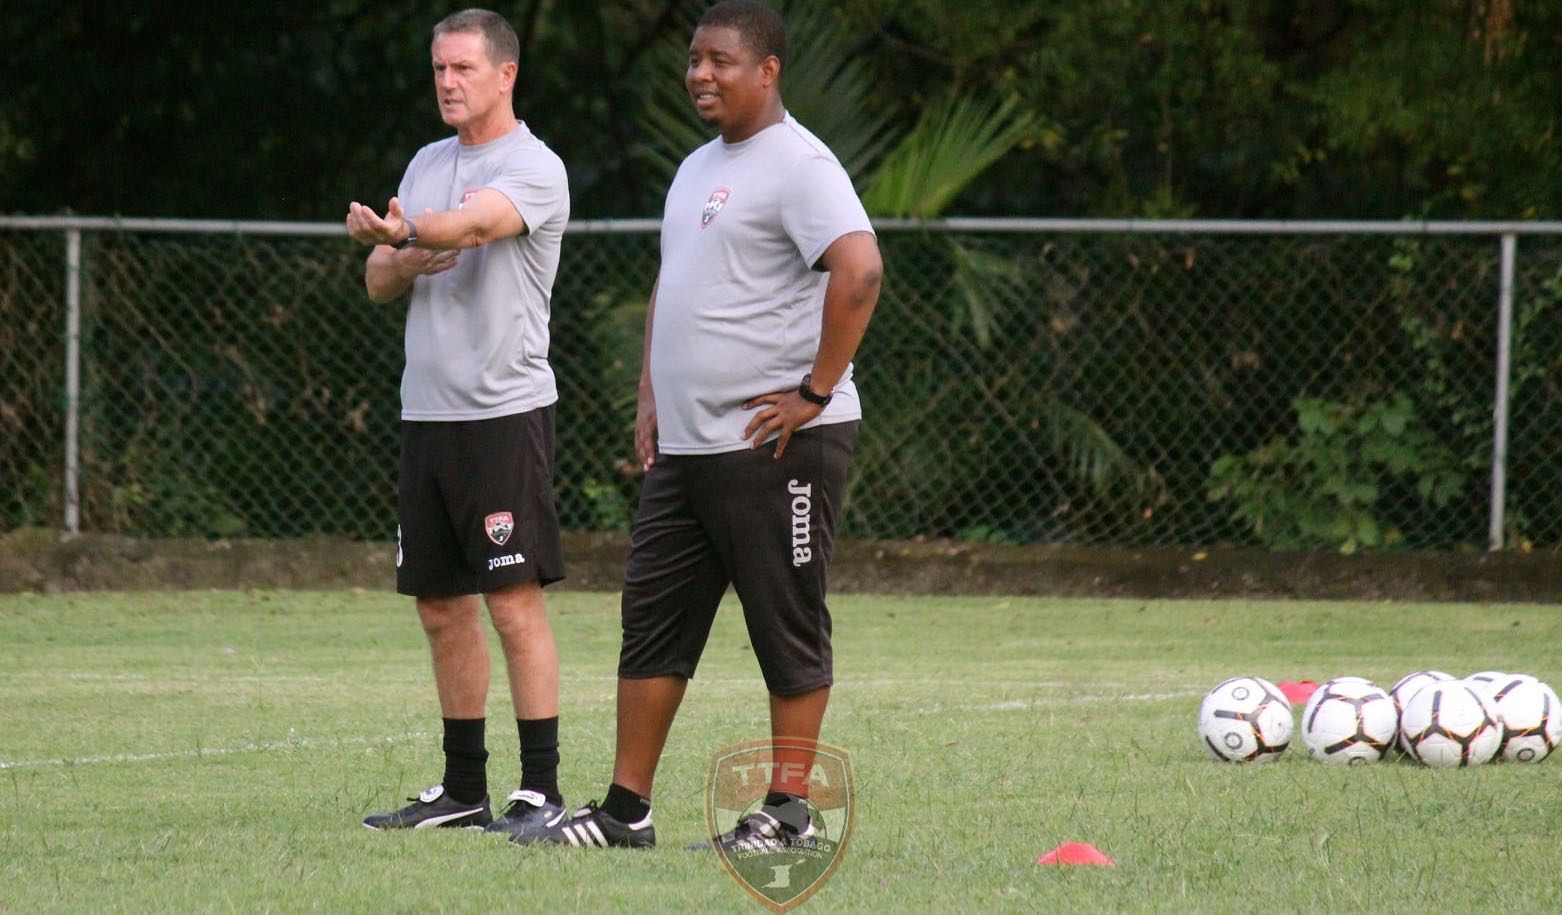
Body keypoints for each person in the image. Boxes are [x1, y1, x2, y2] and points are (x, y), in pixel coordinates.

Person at [529, 0, 882, 849]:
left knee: (785, 618)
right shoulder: (697, 168)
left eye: (720, 60)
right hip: (688, 449)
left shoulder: (800, 165)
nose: (699, 74)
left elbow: (860, 269)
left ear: (768, 71)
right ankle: (625, 811)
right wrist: (652, 394)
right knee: (651, 619)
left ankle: (790, 814)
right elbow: (673, 281)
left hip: (776, 444)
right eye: (693, 59)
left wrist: (814, 390)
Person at [344, 8, 571, 840]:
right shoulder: (427, 161)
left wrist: (406, 231)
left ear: (505, 74)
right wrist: (400, 251)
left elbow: (476, 226)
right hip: (427, 413)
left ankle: (540, 790)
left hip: (502, 413)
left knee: (512, 602)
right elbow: (377, 281)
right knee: (441, 606)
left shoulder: (534, 165)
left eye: (463, 68)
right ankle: (462, 789)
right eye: (439, 68)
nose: (446, 82)